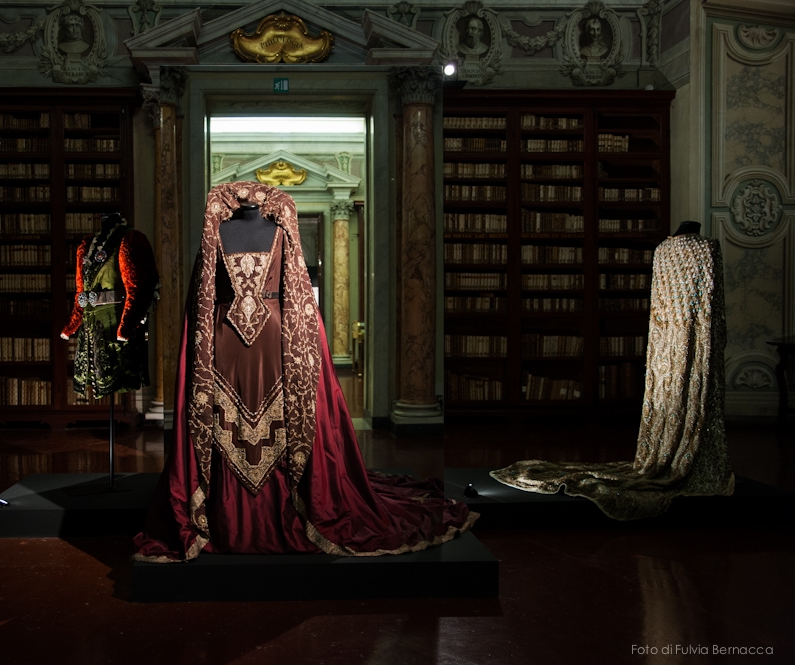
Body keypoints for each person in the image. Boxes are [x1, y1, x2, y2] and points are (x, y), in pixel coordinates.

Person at [133, 181, 476, 562]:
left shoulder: (279, 230)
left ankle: (274, 511)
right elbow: (201, 299)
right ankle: (226, 515)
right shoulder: (215, 233)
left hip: (271, 341)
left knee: (283, 418)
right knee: (221, 421)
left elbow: (291, 296)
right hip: (229, 344)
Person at [490, 224, 734, 520]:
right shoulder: (705, 248)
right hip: (694, 337)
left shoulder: (663, 250)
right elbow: (713, 307)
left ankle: (673, 451)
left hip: (669, 341)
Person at [61, 212, 158, 397]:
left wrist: (126, 327)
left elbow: (138, 287)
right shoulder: (87, 245)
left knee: (114, 371)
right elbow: (81, 289)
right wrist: (73, 324)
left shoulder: (130, 239)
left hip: (115, 320)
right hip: (91, 323)